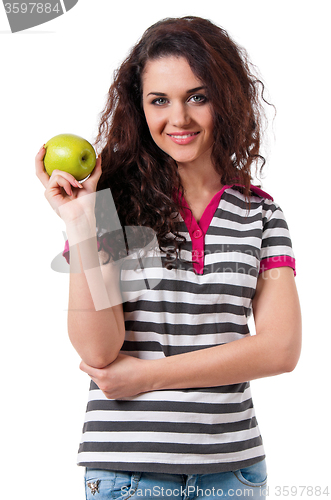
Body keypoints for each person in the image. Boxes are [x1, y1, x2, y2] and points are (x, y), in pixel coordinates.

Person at [36, 16, 302, 500]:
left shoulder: (260, 214)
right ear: (140, 109)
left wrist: (147, 375)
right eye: (160, 100)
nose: (178, 119)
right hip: (128, 475)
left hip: (235, 474)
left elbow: (280, 350)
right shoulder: (115, 206)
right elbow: (98, 351)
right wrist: (80, 219)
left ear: (227, 98)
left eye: (197, 96)